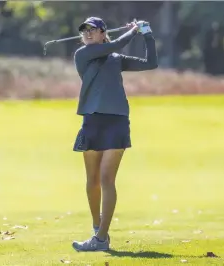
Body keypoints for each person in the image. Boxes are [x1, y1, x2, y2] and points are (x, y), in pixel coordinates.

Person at [71, 16, 158, 252]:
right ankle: (97, 228)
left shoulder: (116, 59)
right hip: (92, 119)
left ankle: (101, 237)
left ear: (102, 32)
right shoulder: (82, 54)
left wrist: (147, 34)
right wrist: (133, 32)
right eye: (84, 30)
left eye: (92, 29)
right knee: (93, 181)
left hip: (117, 121)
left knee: (107, 178)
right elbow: (115, 45)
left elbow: (151, 63)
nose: (87, 33)